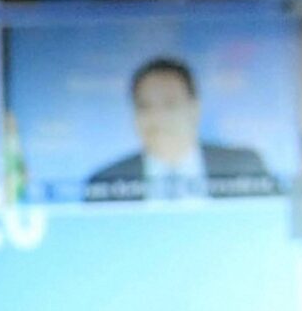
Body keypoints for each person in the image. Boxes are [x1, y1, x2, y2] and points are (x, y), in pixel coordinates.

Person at [83, 56, 277, 202]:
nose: (157, 118)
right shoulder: (105, 182)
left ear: (195, 109)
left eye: (170, 105)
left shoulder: (246, 167)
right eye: (145, 107)